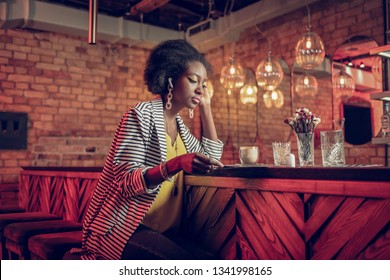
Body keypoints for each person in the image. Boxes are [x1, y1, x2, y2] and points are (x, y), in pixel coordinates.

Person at [75, 39, 224, 260]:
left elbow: (211, 158)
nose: (200, 89)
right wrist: (177, 163)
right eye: (193, 80)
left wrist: (206, 107)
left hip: (162, 232)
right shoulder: (140, 115)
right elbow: (126, 181)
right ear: (170, 80)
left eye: (204, 84)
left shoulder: (182, 129)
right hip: (123, 228)